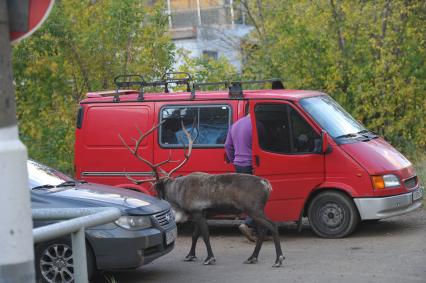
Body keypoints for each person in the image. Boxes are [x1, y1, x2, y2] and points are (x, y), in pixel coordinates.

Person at [224, 103, 258, 242]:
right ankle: (248, 224)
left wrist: (234, 159)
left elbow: (227, 145)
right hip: (252, 165)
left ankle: (258, 230)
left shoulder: (236, 124)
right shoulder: (257, 125)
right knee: (256, 197)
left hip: (239, 165)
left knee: (247, 196)